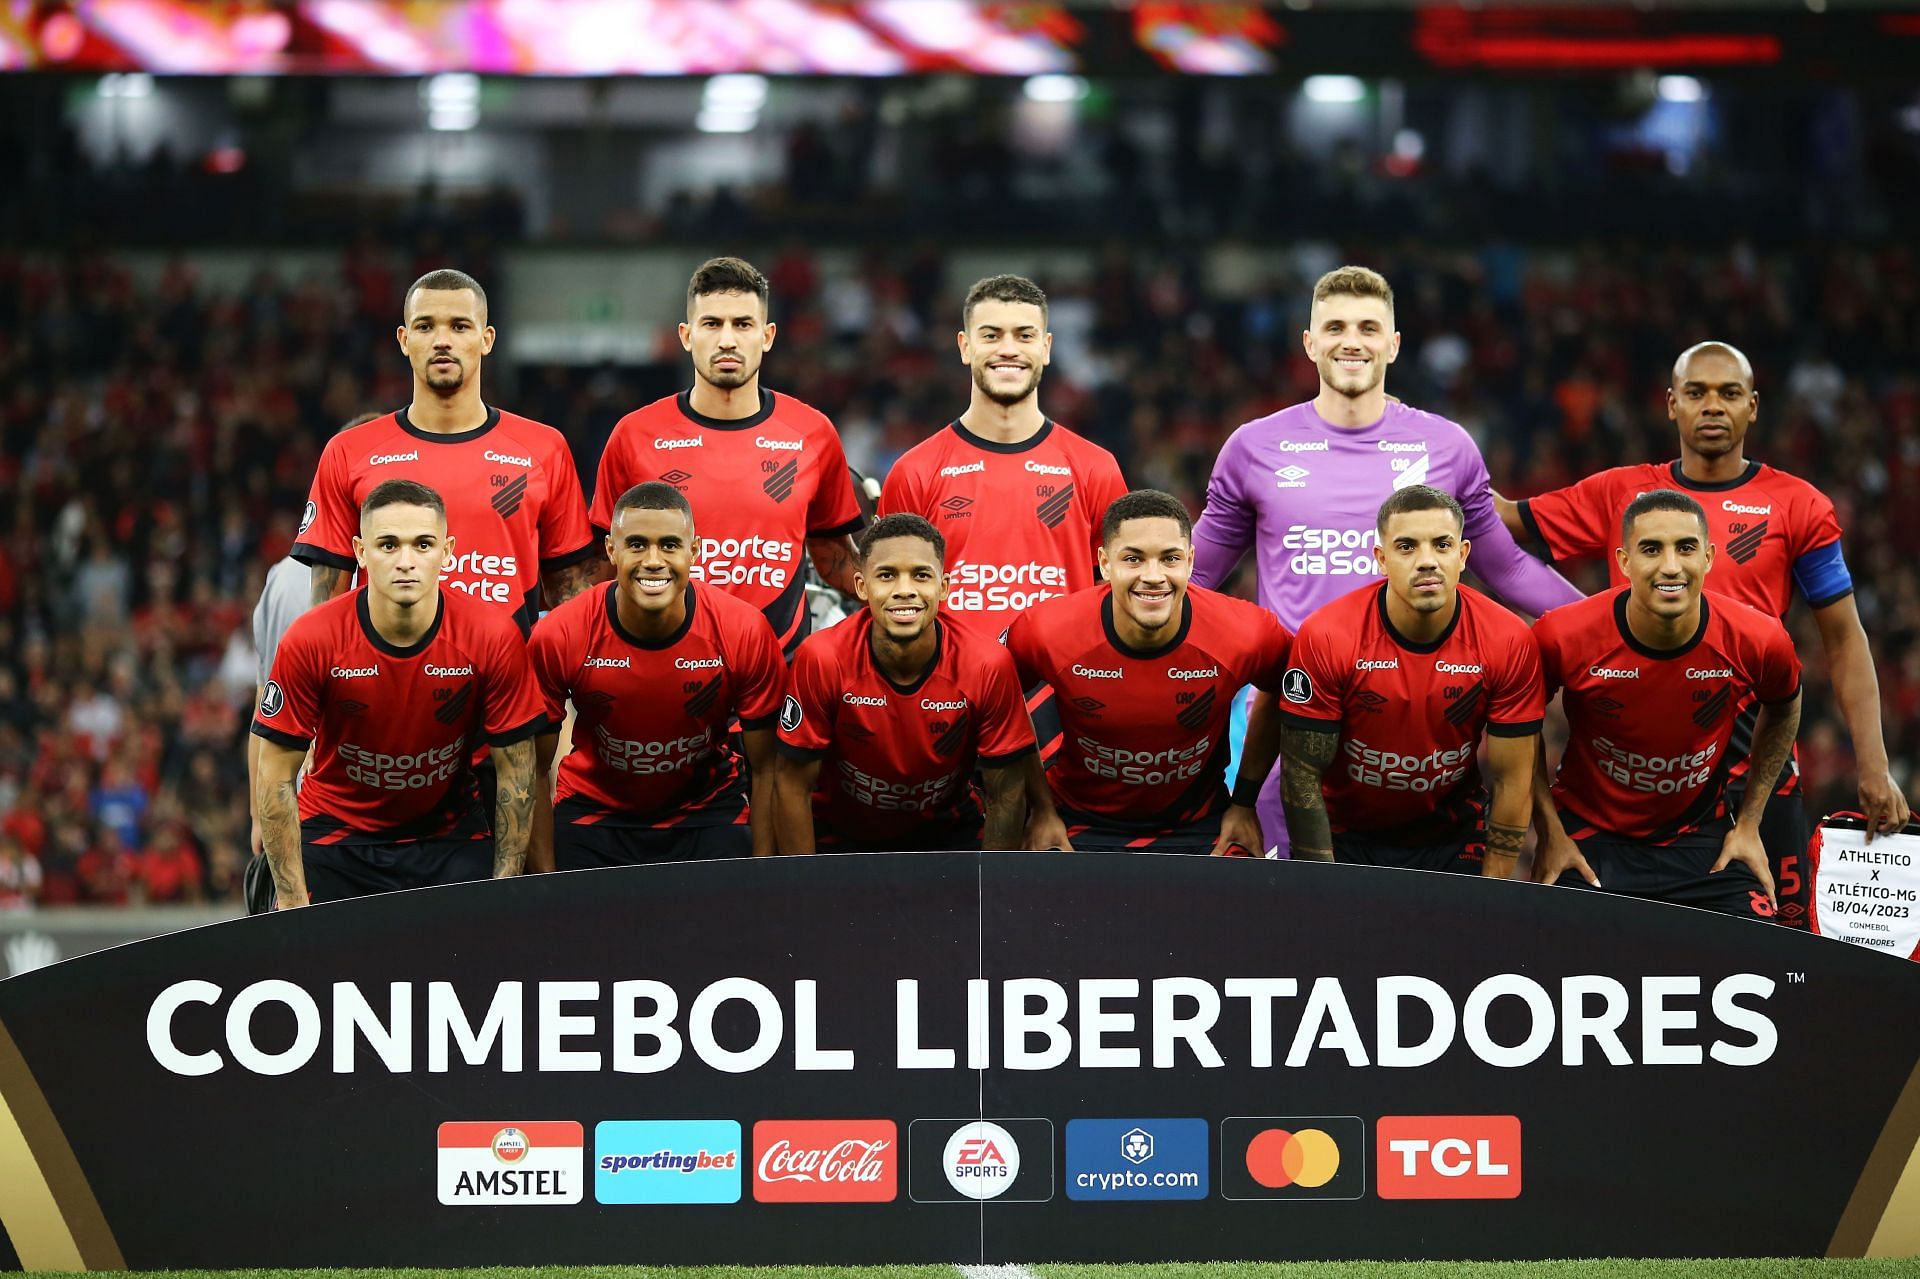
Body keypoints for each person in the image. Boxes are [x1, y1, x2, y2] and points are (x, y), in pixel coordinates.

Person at [1496, 340, 1908, 926]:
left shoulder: (1800, 506)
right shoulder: (1620, 492)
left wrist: (1873, 763)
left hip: (1751, 753)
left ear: (1753, 407)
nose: (1712, 406)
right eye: (1696, 392)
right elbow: (1501, 521)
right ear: (1671, 404)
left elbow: (1844, 639)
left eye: (1729, 393)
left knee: (1783, 947)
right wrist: (1431, 460)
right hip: (1639, 751)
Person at [1192, 265, 1580, 857]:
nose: (1353, 340)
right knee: (1290, 924)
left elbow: (1507, 569)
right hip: (1293, 719)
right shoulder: (1253, 447)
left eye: (1369, 327)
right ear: (1310, 342)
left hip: (1419, 722)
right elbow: (1196, 578)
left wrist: (1606, 624)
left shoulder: (1447, 446)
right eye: (1336, 326)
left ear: (1394, 344)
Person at [251, 480, 545, 907]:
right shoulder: (311, 639)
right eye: (388, 545)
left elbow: (517, 772)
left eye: (423, 545)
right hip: (337, 837)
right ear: (359, 551)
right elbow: (275, 773)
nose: (406, 561)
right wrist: (293, 906)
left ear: (447, 552)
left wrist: (502, 891)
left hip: (447, 837)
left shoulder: (492, 637)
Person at [1532, 490, 1802, 919]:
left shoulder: (1760, 639)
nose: (1671, 566)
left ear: (1709, 557)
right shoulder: (1561, 636)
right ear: (1623, 561)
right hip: (1587, 839)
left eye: (1686, 548)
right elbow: (1517, 723)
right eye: (1651, 549)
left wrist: (1749, 822)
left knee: (1773, 961)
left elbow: (1785, 706)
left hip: (1701, 839)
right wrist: (1548, 829)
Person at [589, 257, 866, 657]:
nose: (727, 340)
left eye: (743, 324)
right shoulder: (635, 436)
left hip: (781, 677)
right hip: (665, 675)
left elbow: (833, 556)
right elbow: (603, 567)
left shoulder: (813, 433)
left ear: (767, 336)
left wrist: (904, 592)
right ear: (686, 335)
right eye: (712, 324)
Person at [293, 269, 600, 630]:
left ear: (486, 339)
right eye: (425, 326)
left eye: (459, 326)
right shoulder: (348, 452)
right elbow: (325, 613)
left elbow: (570, 601)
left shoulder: (545, 449)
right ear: (404, 340)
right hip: (387, 682)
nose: (442, 340)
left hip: (507, 683)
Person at [1276, 486, 1542, 876]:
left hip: (1452, 835)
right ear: (1381, 559)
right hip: (1345, 836)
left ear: (1463, 555)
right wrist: (1322, 885)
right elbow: (1301, 771)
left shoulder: (1509, 638)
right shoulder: (1328, 635)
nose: (1427, 561)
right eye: (1406, 547)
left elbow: (1512, 778)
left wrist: (1496, 890)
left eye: (1442, 545)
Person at [1008, 490, 1292, 855]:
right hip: (1073, 823)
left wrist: (1244, 803)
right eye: (1133, 559)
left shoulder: (1247, 632)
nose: (1154, 576)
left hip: (1199, 824)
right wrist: (1041, 809)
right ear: (1105, 563)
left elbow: (1283, 689)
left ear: (1190, 561)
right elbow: (997, 699)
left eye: (1170, 559)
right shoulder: (1044, 630)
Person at [528, 482, 786, 867]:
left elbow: (767, 767)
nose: (653, 560)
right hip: (593, 814)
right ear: (611, 550)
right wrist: (543, 884)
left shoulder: (743, 630)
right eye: (636, 545)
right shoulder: (561, 633)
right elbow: (530, 770)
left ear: (694, 551)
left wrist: (763, 874)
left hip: (708, 812)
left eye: (669, 545)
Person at [774, 513, 1036, 854]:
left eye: (921, 575)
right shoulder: (823, 658)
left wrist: (993, 893)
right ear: (862, 586)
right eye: (886, 576)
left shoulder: (987, 664)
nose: (904, 590)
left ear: (943, 587)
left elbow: (1006, 793)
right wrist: (803, 890)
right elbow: (792, 784)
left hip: (949, 834)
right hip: (840, 838)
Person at [245, 411, 384, 913]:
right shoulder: (291, 581)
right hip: (329, 809)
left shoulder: (282, 576)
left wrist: (260, 819)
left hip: (314, 806)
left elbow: (265, 714)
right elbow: (271, 712)